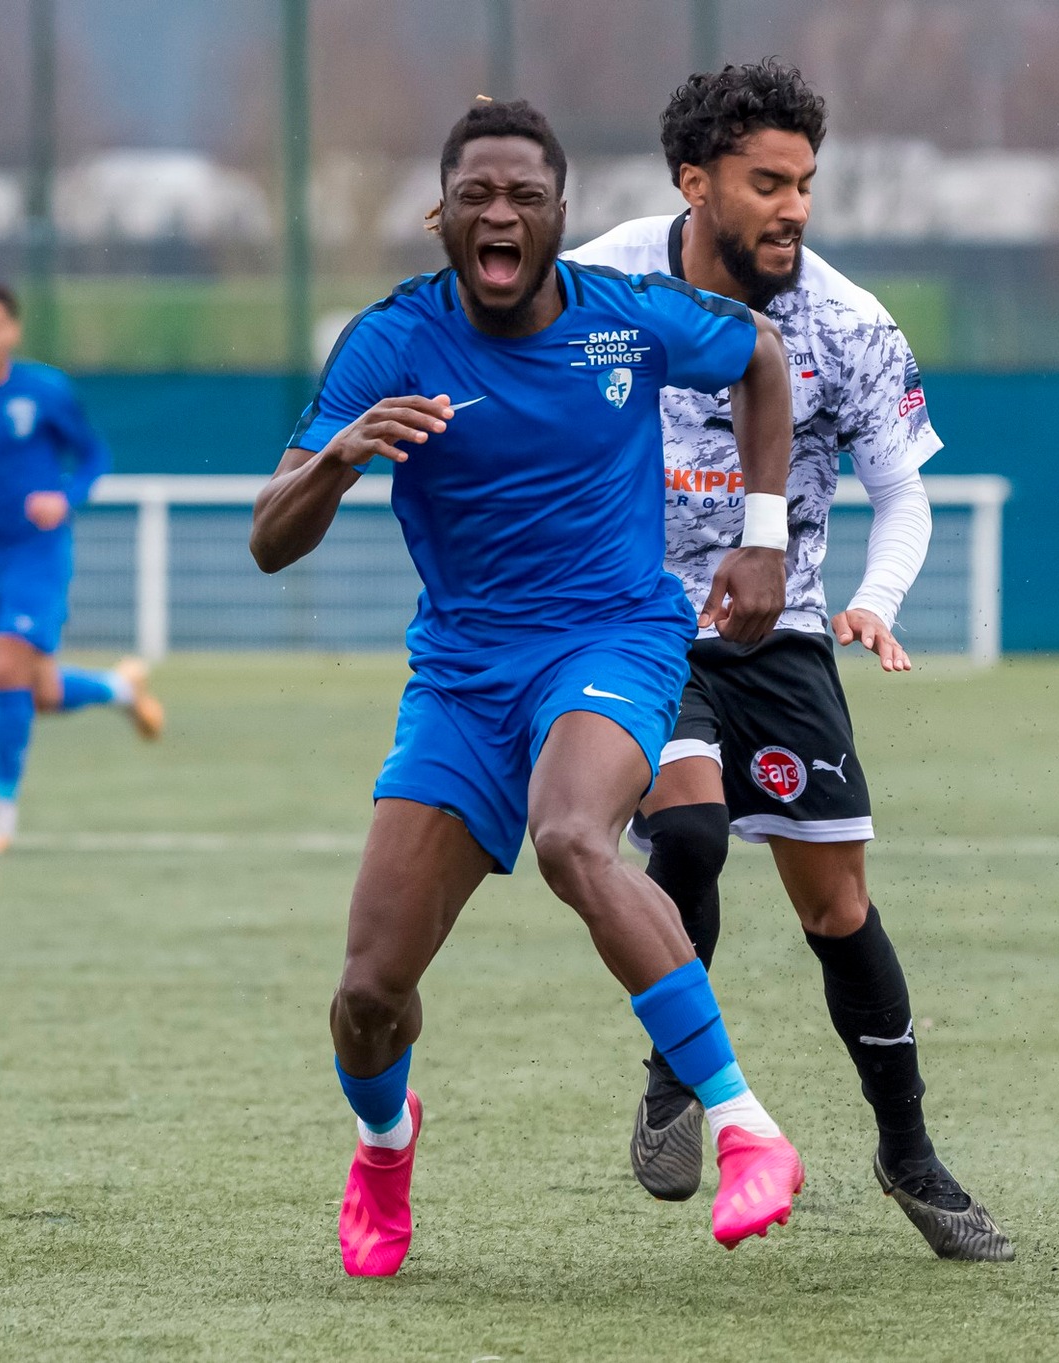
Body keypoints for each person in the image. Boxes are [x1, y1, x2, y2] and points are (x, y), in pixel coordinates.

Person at [250, 98, 805, 1277]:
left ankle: (744, 1124)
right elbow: (267, 538)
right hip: (458, 681)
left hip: (612, 639)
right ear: (440, 215)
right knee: (365, 992)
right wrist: (343, 453)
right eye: (475, 196)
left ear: (559, 218)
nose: (498, 214)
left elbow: (759, 356)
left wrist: (762, 536)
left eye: (523, 197)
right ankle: (384, 1143)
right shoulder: (390, 340)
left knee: (572, 835)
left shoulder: (628, 319)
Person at [566, 59, 1013, 1261]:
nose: (793, 208)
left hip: (787, 633)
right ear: (693, 181)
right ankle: (676, 1070)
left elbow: (899, 494)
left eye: (805, 183)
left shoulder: (847, 322)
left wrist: (873, 598)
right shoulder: (600, 283)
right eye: (768, 182)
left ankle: (907, 1153)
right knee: (692, 830)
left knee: (838, 905)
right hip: (636, 625)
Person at [0, 281, 164, 856]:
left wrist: (64, 498)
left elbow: (94, 456)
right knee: (40, 693)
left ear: (12, 331)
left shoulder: (45, 390)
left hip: (38, 551)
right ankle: (121, 687)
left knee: (5, 666)